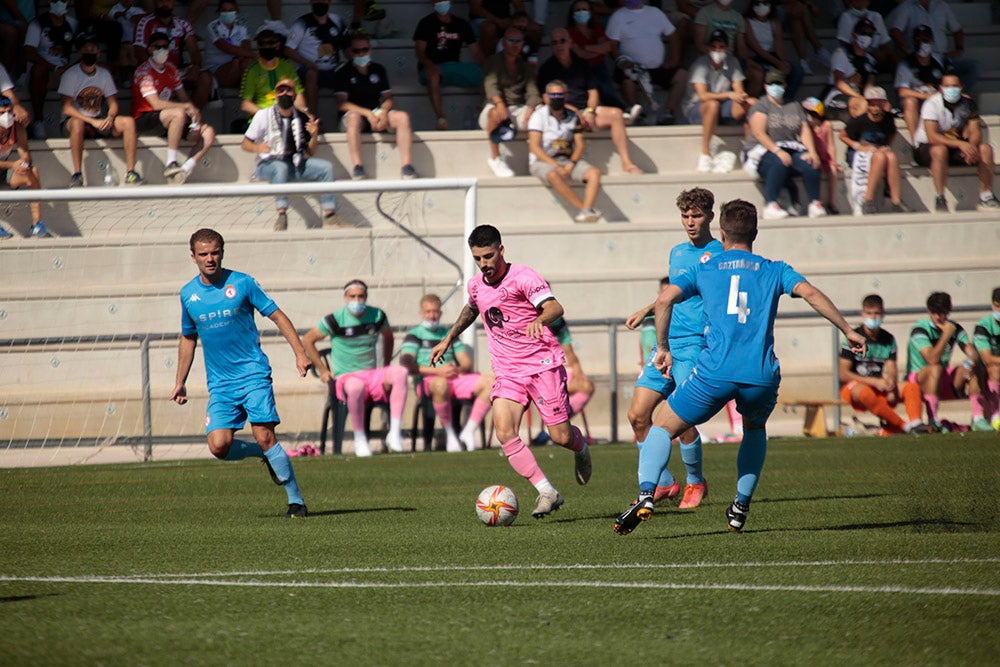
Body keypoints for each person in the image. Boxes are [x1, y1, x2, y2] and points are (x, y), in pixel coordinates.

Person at [613, 198, 867, 535]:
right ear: (755, 233)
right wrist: (848, 330)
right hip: (759, 375)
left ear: (721, 232)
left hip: (714, 372)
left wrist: (661, 348)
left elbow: (663, 300)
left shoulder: (705, 267)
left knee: (661, 427)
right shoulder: (774, 269)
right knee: (754, 430)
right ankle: (740, 506)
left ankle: (647, 494)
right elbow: (811, 293)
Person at [429, 224, 593, 518]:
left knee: (561, 437)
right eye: (478, 259)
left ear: (501, 250)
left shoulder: (524, 277)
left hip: (542, 365)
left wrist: (540, 320)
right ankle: (547, 491)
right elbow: (471, 309)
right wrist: (448, 338)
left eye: (488, 256)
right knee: (505, 432)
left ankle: (580, 449)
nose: (484, 264)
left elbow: (556, 308)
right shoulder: (476, 285)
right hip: (507, 370)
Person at [170, 228, 312, 519]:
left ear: (222, 252)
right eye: (203, 254)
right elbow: (188, 337)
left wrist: (300, 353)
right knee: (218, 446)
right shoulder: (188, 294)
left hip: (253, 375)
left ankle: (296, 502)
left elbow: (277, 315)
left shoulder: (243, 283)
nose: (210, 259)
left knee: (265, 435)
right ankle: (264, 456)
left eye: (215, 253)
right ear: (193, 256)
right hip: (221, 384)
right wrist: (180, 382)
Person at [623, 188, 725, 512]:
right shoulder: (678, 252)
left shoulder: (719, 253)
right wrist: (647, 310)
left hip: (695, 343)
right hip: (666, 344)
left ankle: (696, 480)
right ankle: (665, 482)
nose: (690, 222)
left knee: (681, 415)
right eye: (685, 216)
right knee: (638, 415)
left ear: (710, 215)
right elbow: (673, 295)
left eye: (696, 216)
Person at [302, 280, 410, 457]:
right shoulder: (335, 319)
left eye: (360, 296)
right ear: (346, 298)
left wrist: (386, 365)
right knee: (355, 386)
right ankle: (360, 439)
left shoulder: (377, 315)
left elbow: (388, 337)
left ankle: (395, 433)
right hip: (346, 377)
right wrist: (322, 370)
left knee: (401, 372)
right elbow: (307, 340)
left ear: (366, 297)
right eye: (352, 296)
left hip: (373, 375)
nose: (357, 300)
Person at [536, 27, 644, 175]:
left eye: (562, 41)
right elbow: (547, 99)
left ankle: (627, 162)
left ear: (570, 42)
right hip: (562, 115)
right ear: (551, 47)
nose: (559, 45)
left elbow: (593, 92)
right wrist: (573, 112)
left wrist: (590, 111)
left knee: (616, 113)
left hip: (585, 112)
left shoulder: (582, 64)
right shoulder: (546, 69)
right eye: (554, 43)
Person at [399, 293, 494, 452]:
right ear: (422, 313)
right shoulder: (414, 335)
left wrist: (454, 370)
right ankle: (450, 434)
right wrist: (438, 371)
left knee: (491, 382)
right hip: (427, 380)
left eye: (435, 311)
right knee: (440, 383)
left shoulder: (448, 334)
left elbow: (466, 362)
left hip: (452, 377)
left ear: (440, 312)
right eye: (428, 312)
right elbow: (407, 364)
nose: (432, 315)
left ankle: (468, 431)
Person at [241, 77, 333, 231]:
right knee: (280, 167)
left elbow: (310, 152)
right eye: (280, 90)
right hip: (268, 164)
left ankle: (330, 215)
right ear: (275, 95)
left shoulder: (302, 118)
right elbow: (245, 143)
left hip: (295, 164)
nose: (285, 93)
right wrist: (258, 148)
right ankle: (282, 214)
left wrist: (315, 135)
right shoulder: (263, 115)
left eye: (289, 90)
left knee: (326, 167)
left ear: (295, 95)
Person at [132, 32, 216, 185]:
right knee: (178, 113)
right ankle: (171, 163)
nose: (163, 50)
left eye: (165, 46)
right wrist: (185, 107)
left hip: (167, 119)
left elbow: (184, 98)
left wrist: (193, 114)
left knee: (208, 132)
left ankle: (184, 170)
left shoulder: (171, 69)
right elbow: (155, 104)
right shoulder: (143, 71)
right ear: (150, 49)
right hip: (144, 118)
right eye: (158, 47)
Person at [60, 34, 143, 188]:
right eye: (86, 49)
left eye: (92, 49)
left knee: (128, 122)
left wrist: (110, 117)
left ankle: (130, 172)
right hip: (75, 122)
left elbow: (113, 103)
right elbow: (66, 107)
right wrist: (92, 121)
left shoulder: (104, 74)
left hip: (98, 119)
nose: (90, 52)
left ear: (98, 52)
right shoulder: (70, 75)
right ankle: (77, 174)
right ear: (79, 52)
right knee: (77, 123)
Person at [839, 294, 928, 435]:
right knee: (864, 392)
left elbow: (892, 367)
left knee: (911, 387)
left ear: (883, 314)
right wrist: (874, 381)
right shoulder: (853, 337)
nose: (873, 317)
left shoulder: (888, 339)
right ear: (862, 314)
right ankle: (903, 426)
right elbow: (843, 374)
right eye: (869, 313)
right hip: (854, 386)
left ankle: (916, 422)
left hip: (878, 384)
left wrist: (891, 382)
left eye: (877, 313)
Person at [743, 69, 826, 220]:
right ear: (766, 86)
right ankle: (770, 204)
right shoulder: (761, 106)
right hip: (761, 151)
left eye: (779, 83)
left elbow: (804, 130)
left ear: (785, 85)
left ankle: (814, 203)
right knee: (779, 161)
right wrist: (777, 150)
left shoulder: (794, 106)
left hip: (790, 148)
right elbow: (759, 133)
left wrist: (812, 151)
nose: (775, 86)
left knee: (810, 162)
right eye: (772, 83)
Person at [334, 33, 418, 181]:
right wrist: (367, 113)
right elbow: (342, 103)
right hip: (354, 116)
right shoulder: (343, 72)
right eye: (356, 51)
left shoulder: (379, 69)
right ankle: (357, 166)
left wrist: (384, 111)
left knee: (402, 117)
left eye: (364, 49)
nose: (361, 54)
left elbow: (388, 99)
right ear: (350, 52)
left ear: (370, 50)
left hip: (376, 113)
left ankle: (406, 166)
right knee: (353, 117)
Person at [911, 73, 999, 213]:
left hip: (956, 146)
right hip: (927, 148)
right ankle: (940, 197)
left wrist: (971, 146)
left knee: (985, 149)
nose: (951, 89)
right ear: (940, 88)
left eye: (954, 86)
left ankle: (986, 196)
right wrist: (960, 144)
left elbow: (975, 131)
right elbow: (932, 136)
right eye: (947, 86)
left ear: (961, 87)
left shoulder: (968, 104)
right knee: (940, 150)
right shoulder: (932, 104)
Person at [906, 291, 991, 432]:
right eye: (935, 313)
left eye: (943, 313)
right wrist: (946, 335)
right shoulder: (920, 330)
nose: (940, 317)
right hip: (919, 380)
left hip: (943, 378)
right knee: (936, 368)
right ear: (929, 311)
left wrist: (969, 363)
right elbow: (932, 359)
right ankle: (933, 419)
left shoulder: (954, 328)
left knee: (972, 367)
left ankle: (978, 419)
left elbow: (972, 353)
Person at [527, 80, 603, 223]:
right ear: (546, 97)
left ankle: (587, 209)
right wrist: (557, 166)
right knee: (554, 175)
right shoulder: (538, 116)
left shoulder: (573, 116)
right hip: (542, 161)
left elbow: (580, 145)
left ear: (566, 96)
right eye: (553, 95)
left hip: (567, 159)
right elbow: (535, 147)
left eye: (560, 95)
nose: (557, 98)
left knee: (594, 173)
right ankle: (584, 209)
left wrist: (571, 164)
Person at [681, 29, 752, 174]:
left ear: (727, 47)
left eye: (721, 47)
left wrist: (740, 96)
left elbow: (739, 91)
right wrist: (728, 94)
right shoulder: (700, 64)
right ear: (708, 47)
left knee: (752, 103)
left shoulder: (733, 62)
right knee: (712, 104)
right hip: (696, 108)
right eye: (713, 47)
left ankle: (751, 151)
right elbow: (702, 96)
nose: (717, 50)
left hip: (723, 106)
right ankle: (705, 154)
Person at [606, 0, 687, 125]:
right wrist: (622, 61)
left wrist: (674, 59)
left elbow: (673, 35)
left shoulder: (655, 13)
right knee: (627, 80)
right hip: (631, 67)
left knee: (682, 76)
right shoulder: (618, 16)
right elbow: (612, 44)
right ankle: (637, 114)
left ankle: (668, 112)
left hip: (657, 67)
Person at [413, 0, 484, 131]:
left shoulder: (461, 23)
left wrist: (487, 69)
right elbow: (419, 51)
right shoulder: (426, 23)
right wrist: (430, 65)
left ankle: (487, 113)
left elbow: (476, 52)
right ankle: (441, 119)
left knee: (485, 75)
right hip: (432, 67)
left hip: (454, 67)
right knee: (433, 75)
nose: (441, 3)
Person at [480, 26, 540, 177]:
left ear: (522, 44)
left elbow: (533, 91)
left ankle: (535, 158)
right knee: (495, 113)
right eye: (511, 40)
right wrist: (500, 104)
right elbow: (490, 85)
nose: (514, 44)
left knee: (541, 113)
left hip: (517, 108)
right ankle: (496, 159)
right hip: (493, 107)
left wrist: (531, 108)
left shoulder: (525, 66)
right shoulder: (493, 61)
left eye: (518, 41)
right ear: (504, 42)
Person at [839, 86, 908, 215]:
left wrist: (886, 146)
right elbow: (842, 136)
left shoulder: (888, 118)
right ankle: (868, 200)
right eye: (872, 104)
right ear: (868, 105)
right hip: (858, 152)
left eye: (879, 104)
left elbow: (892, 133)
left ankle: (896, 201)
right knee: (880, 157)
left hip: (878, 150)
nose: (876, 108)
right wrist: (858, 146)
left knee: (891, 157)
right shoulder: (859, 120)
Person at [133, 0, 212, 110]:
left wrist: (196, 67)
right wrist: (160, 72)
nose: (164, 4)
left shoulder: (183, 24)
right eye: (161, 1)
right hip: (153, 71)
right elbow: (139, 52)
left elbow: (194, 51)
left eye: (169, 0)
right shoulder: (145, 22)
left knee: (205, 78)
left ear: (174, 2)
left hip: (177, 70)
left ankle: (192, 120)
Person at [888, 0, 978, 93]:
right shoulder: (906, 6)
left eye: (926, 40)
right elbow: (895, 31)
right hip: (917, 60)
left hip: (942, 58)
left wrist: (959, 49)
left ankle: (958, 98)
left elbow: (957, 29)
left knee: (972, 66)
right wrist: (909, 52)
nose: (924, 42)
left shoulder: (942, 6)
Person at [24, 0, 79, 139]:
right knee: (38, 70)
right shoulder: (37, 24)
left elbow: (83, 47)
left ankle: (73, 120)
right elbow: (29, 52)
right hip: (46, 70)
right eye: (55, 0)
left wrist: (67, 67)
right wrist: (53, 67)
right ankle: (38, 121)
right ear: (49, 2)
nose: (60, 2)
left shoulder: (72, 23)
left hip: (65, 69)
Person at [285, 0, 348, 117]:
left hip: (333, 70)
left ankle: (346, 117)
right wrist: (308, 63)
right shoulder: (301, 23)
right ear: (310, 2)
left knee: (349, 72)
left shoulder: (337, 21)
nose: (319, 2)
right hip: (308, 69)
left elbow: (347, 47)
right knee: (312, 73)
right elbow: (288, 50)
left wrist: (355, 62)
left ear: (329, 3)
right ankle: (312, 119)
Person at [692, 0, 762, 98]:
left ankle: (746, 106)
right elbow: (699, 44)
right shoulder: (705, 12)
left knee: (757, 74)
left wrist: (748, 61)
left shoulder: (737, 17)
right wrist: (716, 56)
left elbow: (741, 45)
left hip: (732, 60)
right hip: (710, 59)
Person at [0, 97, 48, 239]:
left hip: (4, 170)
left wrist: (23, 165)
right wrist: (13, 165)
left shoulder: (17, 128)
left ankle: (36, 225)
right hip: (7, 165)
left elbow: (26, 155)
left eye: (9, 112)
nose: (6, 116)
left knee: (32, 172)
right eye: (2, 112)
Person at [894, 24, 952, 141]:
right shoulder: (906, 63)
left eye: (925, 40)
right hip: (919, 101)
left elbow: (951, 81)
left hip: (939, 99)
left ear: (932, 41)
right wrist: (925, 96)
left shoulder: (941, 60)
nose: (922, 43)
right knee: (910, 101)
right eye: (918, 40)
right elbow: (902, 91)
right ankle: (916, 142)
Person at [239, 28, 306, 126]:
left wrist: (302, 113)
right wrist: (267, 116)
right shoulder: (252, 70)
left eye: (270, 43)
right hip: (262, 119)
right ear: (258, 46)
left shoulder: (286, 66)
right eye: (262, 43)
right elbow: (245, 104)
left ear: (277, 45)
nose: (266, 46)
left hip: (287, 114)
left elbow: (298, 94)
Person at [566, 0, 622, 110]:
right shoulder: (568, 31)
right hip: (580, 68)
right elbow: (581, 54)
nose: (581, 12)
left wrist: (585, 47)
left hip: (598, 66)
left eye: (584, 10)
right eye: (578, 10)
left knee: (606, 89)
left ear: (590, 12)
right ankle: (622, 110)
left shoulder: (596, 28)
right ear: (572, 14)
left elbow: (607, 47)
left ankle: (621, 110)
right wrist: (597, 50)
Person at [744, 0, 802, 99]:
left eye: (765, 3)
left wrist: (783, 61)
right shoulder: (747, 21)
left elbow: (779, 44)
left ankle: (785, 101)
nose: (761, 6)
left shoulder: (774, 22)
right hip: (756, 57)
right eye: (757, 3)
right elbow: (756, 47)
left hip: (773, 56)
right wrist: (777, 63)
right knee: (766, 72)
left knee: (796, 68)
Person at [822, 17, 877, 121]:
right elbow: (839, 82)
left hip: (859, 97)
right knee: (863, 104)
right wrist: (859, 96)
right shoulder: (841, 53)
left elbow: (870, 84)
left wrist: (872, 99)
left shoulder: (870, 60)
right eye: (863, 33)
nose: (866, 37)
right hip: (838, 96)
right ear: (854, 34)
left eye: (870, 34)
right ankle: (854, 134)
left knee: (882, 107)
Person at [203, 0, 255, 90]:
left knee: (247, 62)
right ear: (219, 12)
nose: (227, 13)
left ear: (236, 11)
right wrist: (254, 55)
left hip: (238, 61)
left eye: (231, 10)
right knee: (238, 64)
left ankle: (249, 94)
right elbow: (226, 47)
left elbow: (246, 43)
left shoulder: (241, 23)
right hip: (217, 67)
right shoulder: (213, 26)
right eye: (224, 10)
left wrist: (241, 57)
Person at [801, 97, 839, 215]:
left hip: (824, 157)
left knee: (833, 170)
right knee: (812, 166)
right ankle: (816, 200)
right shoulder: (805, 126)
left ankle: (832, 202)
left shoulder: (826, 125)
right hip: (813, 156)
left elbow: (831, 146)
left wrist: (833, 161)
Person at [836, 0, 895, 73]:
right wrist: (862, 52)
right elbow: (844, 43)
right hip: (854, 56)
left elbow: (884, 44)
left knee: (894, 59)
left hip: (874, 57)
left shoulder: (876, 16)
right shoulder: (846, 16)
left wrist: (880, 58)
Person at [972, 288, 1000, 431]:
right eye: (997, 306)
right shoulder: (983, 326)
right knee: (993, 369)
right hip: (983, 371)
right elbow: (987, 358)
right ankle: (995, 416)